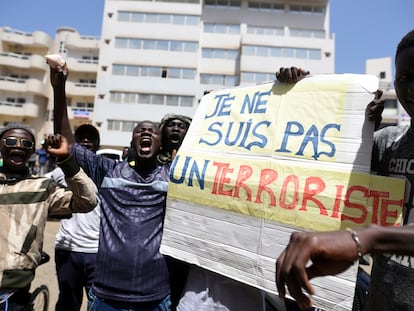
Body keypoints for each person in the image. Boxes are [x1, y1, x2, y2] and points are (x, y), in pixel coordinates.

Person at [277, 29, 414, 311]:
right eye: (404, 78)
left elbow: (366, 236)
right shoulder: (388, 142)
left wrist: (366, 237)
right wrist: (299, 93)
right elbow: (323, 159)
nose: (411, 89)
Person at [50, 61, 172, 310]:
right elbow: (67, 141)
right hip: (106, 295)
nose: (146, 132)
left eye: (152, 131)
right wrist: (59, 87)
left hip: (156, 296)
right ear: (132, 141)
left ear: (161, 145)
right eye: (140, 130)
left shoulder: (173, 177)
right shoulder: (108, 170)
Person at [0, 122, 98, 310]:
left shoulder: (43, 187)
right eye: (11, 140)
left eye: (27, 143)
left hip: (15, 287)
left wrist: (67, 160)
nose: (19, 145)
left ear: (32, 151)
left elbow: (87, 201)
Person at [48, 124, 101, 311]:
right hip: (67, 249)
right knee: (68, 303)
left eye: (90, 138)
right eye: (80, 138)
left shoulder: (104, 173)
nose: (85, 141)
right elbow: (39, 189)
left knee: (97, 303)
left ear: (97, 145)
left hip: (97, 251)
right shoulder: (60, 173)